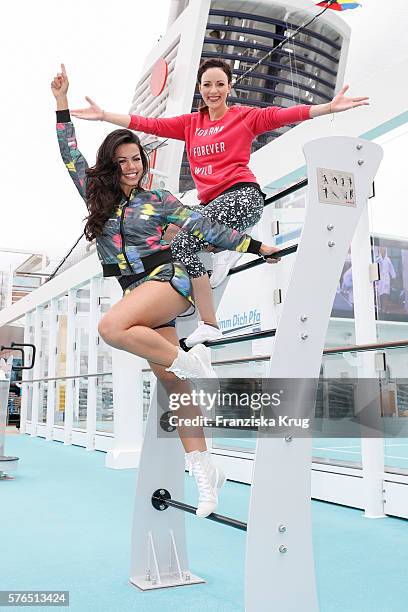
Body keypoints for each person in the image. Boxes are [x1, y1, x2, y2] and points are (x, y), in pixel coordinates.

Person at [51, 65, 280, 517]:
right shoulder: (95, 195)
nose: (133, 167)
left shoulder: (158, 201)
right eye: (124, 161)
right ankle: (205, 470)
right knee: (176, 388)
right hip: (138, 292)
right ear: (111, 165)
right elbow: (68, 151)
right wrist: (61, 101)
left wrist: (258, 245)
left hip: (169, 282)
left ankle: (193, 362)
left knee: (111, 326)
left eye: (138, 159)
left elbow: (207, 229)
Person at [71, 58, 369, 347]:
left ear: (229, 87)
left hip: (242, 196)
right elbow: (149, 124)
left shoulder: (244, 117)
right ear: (200, 88)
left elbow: (284, 115)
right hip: (211, 205)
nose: (213, 91)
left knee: (185, 240)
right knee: (170, 232)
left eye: (220, 84)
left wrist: (328, 108)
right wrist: (105, 116)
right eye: (207, 85)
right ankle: (206, 264)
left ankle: (210, 323)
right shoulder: (191, 124)